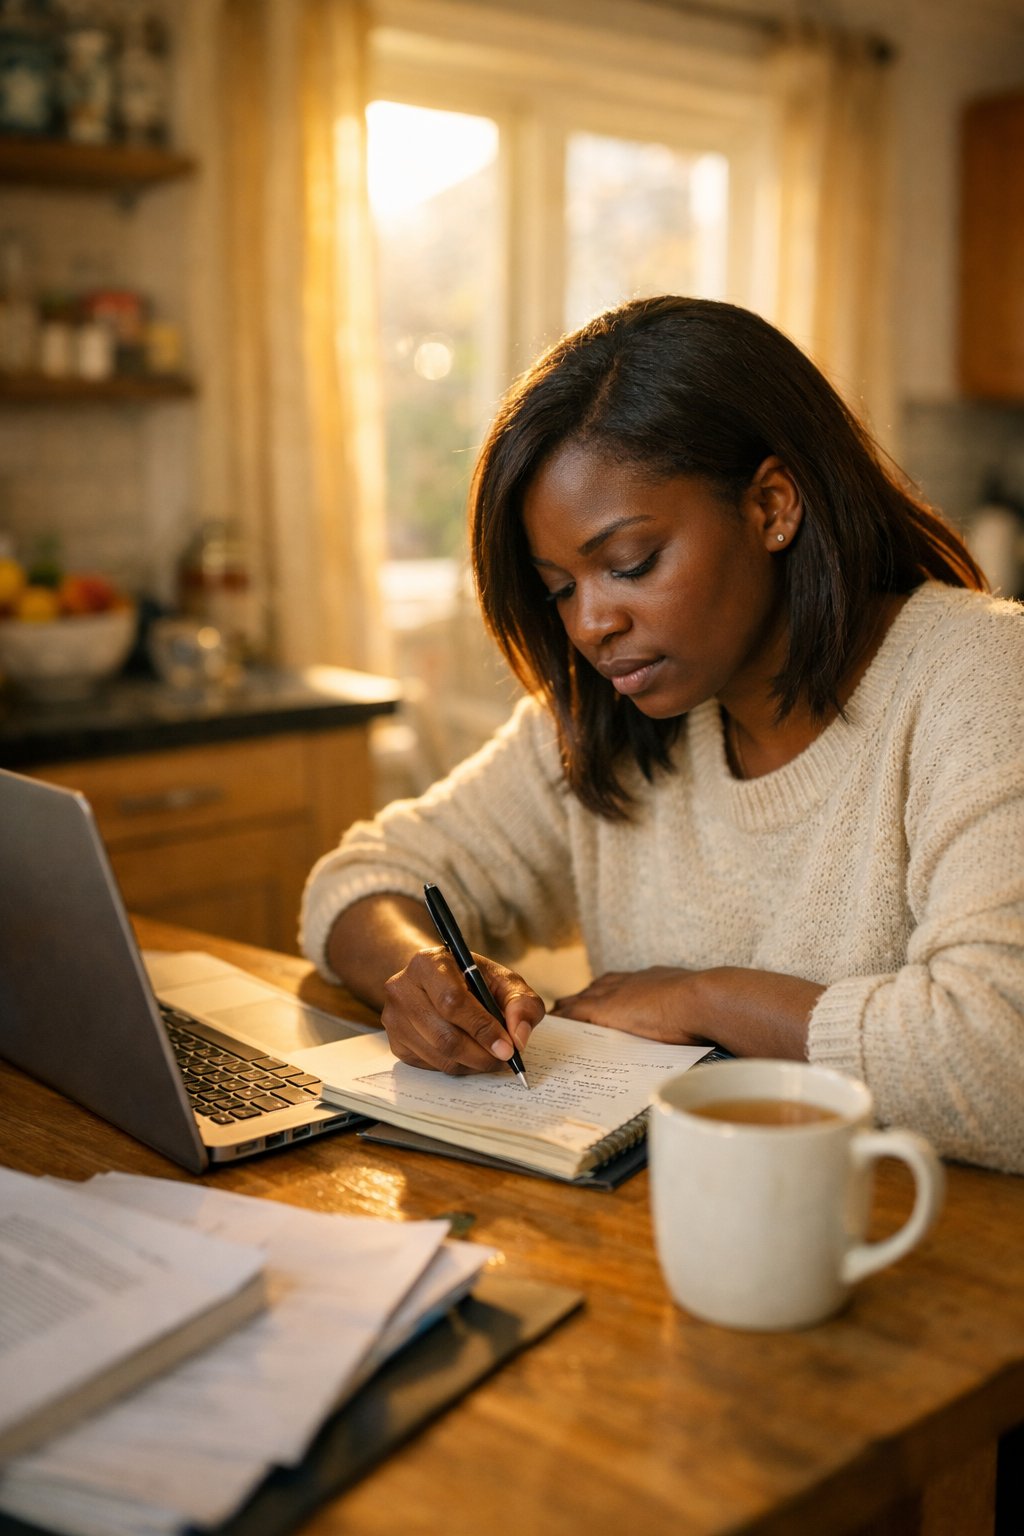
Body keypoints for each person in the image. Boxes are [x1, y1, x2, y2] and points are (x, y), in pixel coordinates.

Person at [301, 295, 1024, 1175]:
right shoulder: (602, 717)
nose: (591, 624)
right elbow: (358, 880)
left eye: (630, 563)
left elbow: (1001, 1055)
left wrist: (702, 1000)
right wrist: (421, 978)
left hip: (925, 1257)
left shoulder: (982, 674)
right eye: (560, 587)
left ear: (771, 507)